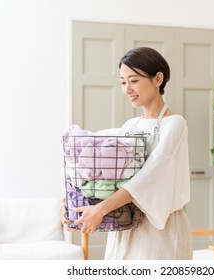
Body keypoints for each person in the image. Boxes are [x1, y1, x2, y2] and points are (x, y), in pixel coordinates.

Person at [60, 46, 193, 259]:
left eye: (133, 81)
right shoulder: (131, 126)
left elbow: (151, 174)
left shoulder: (175, 124)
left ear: (157, 79)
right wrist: (74, 203)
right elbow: (110, 178)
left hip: (160, 232)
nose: (127, 89)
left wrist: (101, 210)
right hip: (125, 223)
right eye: (123, 82)